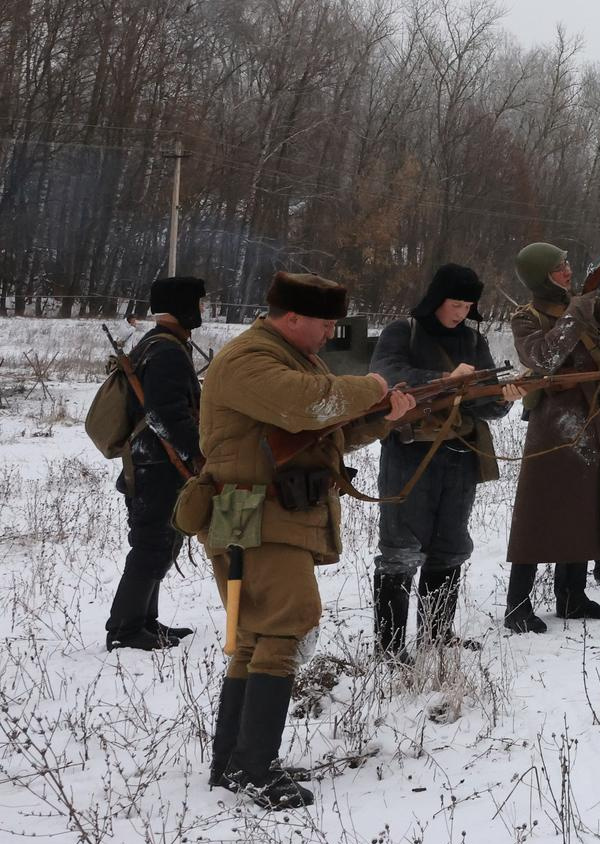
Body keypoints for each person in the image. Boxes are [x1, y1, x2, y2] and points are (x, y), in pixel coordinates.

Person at [190, 271, 417, 809]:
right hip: (250, 509)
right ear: (291, 317)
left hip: (264, 509)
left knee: (255, 634)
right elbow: (304, 406)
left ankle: (237, 761)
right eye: (324, 323)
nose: (330, 333)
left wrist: (386, 416)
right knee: (285, 626)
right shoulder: (252, 360)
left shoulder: (290, 356)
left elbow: (325, 428)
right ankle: (252, 767)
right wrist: (376, 387)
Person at [369, 264, 518, 657]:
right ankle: (390, 646)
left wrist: (503, 396)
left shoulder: (472, 339)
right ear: (436, 300)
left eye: (468, 305)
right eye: (455, 304)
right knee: (400, 550)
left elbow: (485, 401)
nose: (461, 312)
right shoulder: (401, 333)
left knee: (450, 546)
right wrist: (446, 377)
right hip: (409, 453)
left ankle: (436, 635)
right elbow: (385, 375)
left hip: (458, 454)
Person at [506, 241, 600, 633]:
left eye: (567, 264)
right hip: (553, 423)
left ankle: (572, 596)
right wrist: (577, 311)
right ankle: (517, 605)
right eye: (558, 267)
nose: (567, 271)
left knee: (586, 506)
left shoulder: (580, 304)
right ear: (541, 276)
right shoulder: (526, 316)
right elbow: (544, 359)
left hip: (594, 416)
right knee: (539, 514)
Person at [105, 274, 206, 651]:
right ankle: (126, 630)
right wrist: (196, 453)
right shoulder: (165, 351)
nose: (202, 311)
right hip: (156, 465)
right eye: (198, 304)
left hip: (154, 461)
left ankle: (144, 621)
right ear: (182, 306)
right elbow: (165, 415)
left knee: (160, 543)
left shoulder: (160, 344)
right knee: (152, 544)